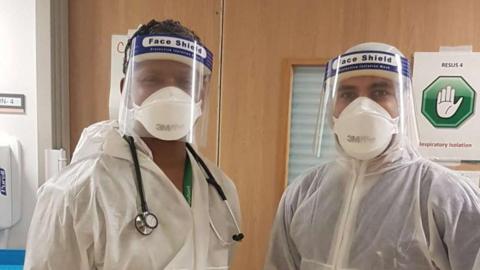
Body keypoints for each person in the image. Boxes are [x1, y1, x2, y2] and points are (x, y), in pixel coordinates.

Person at [24, 19, 242, 270]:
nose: (171, 94)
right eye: (152, 80)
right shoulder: (75, 192)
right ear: (124, 91)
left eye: (185, 83)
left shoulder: (220, 189)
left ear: (202, 95)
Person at [264, 42, 480, 270]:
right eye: (347, 94)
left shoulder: (445, 194)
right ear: (332, 108)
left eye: (380, 92)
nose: (362, 107)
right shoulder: (302, 193)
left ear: (403, 103)